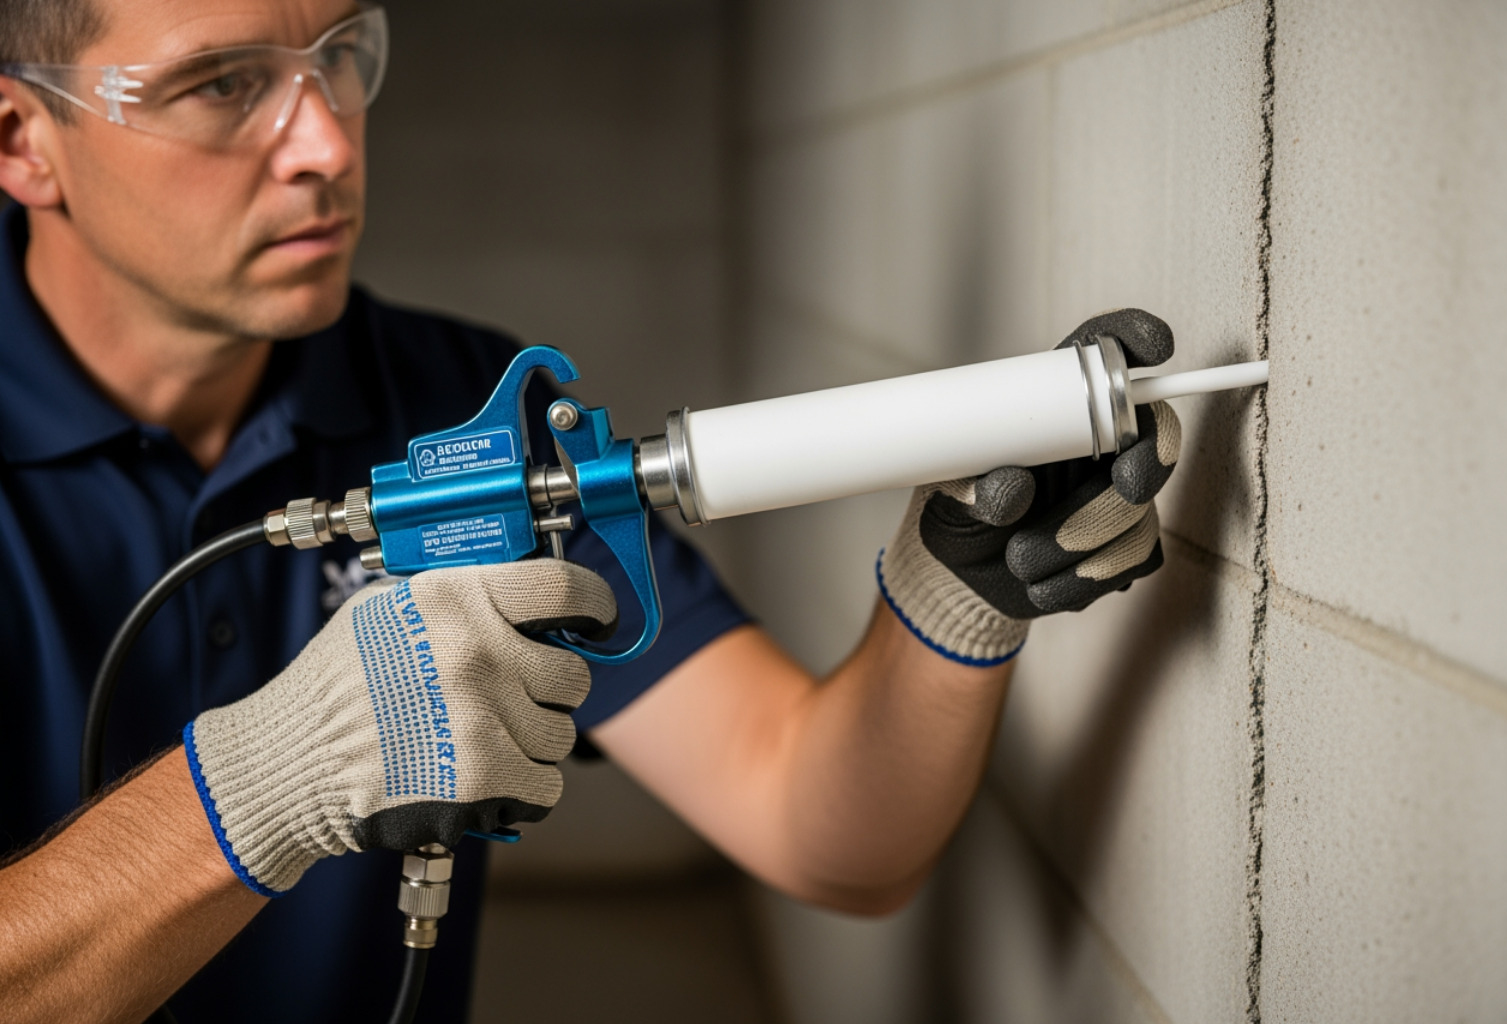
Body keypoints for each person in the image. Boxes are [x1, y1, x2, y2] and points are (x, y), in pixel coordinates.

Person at [0, 2, 1182, 1022]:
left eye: (340, 55)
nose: (326, 142)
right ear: (24, 140)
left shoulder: (456, 413)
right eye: (221, 85)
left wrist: (952, 598)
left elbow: (829, 836)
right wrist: (269, 784)